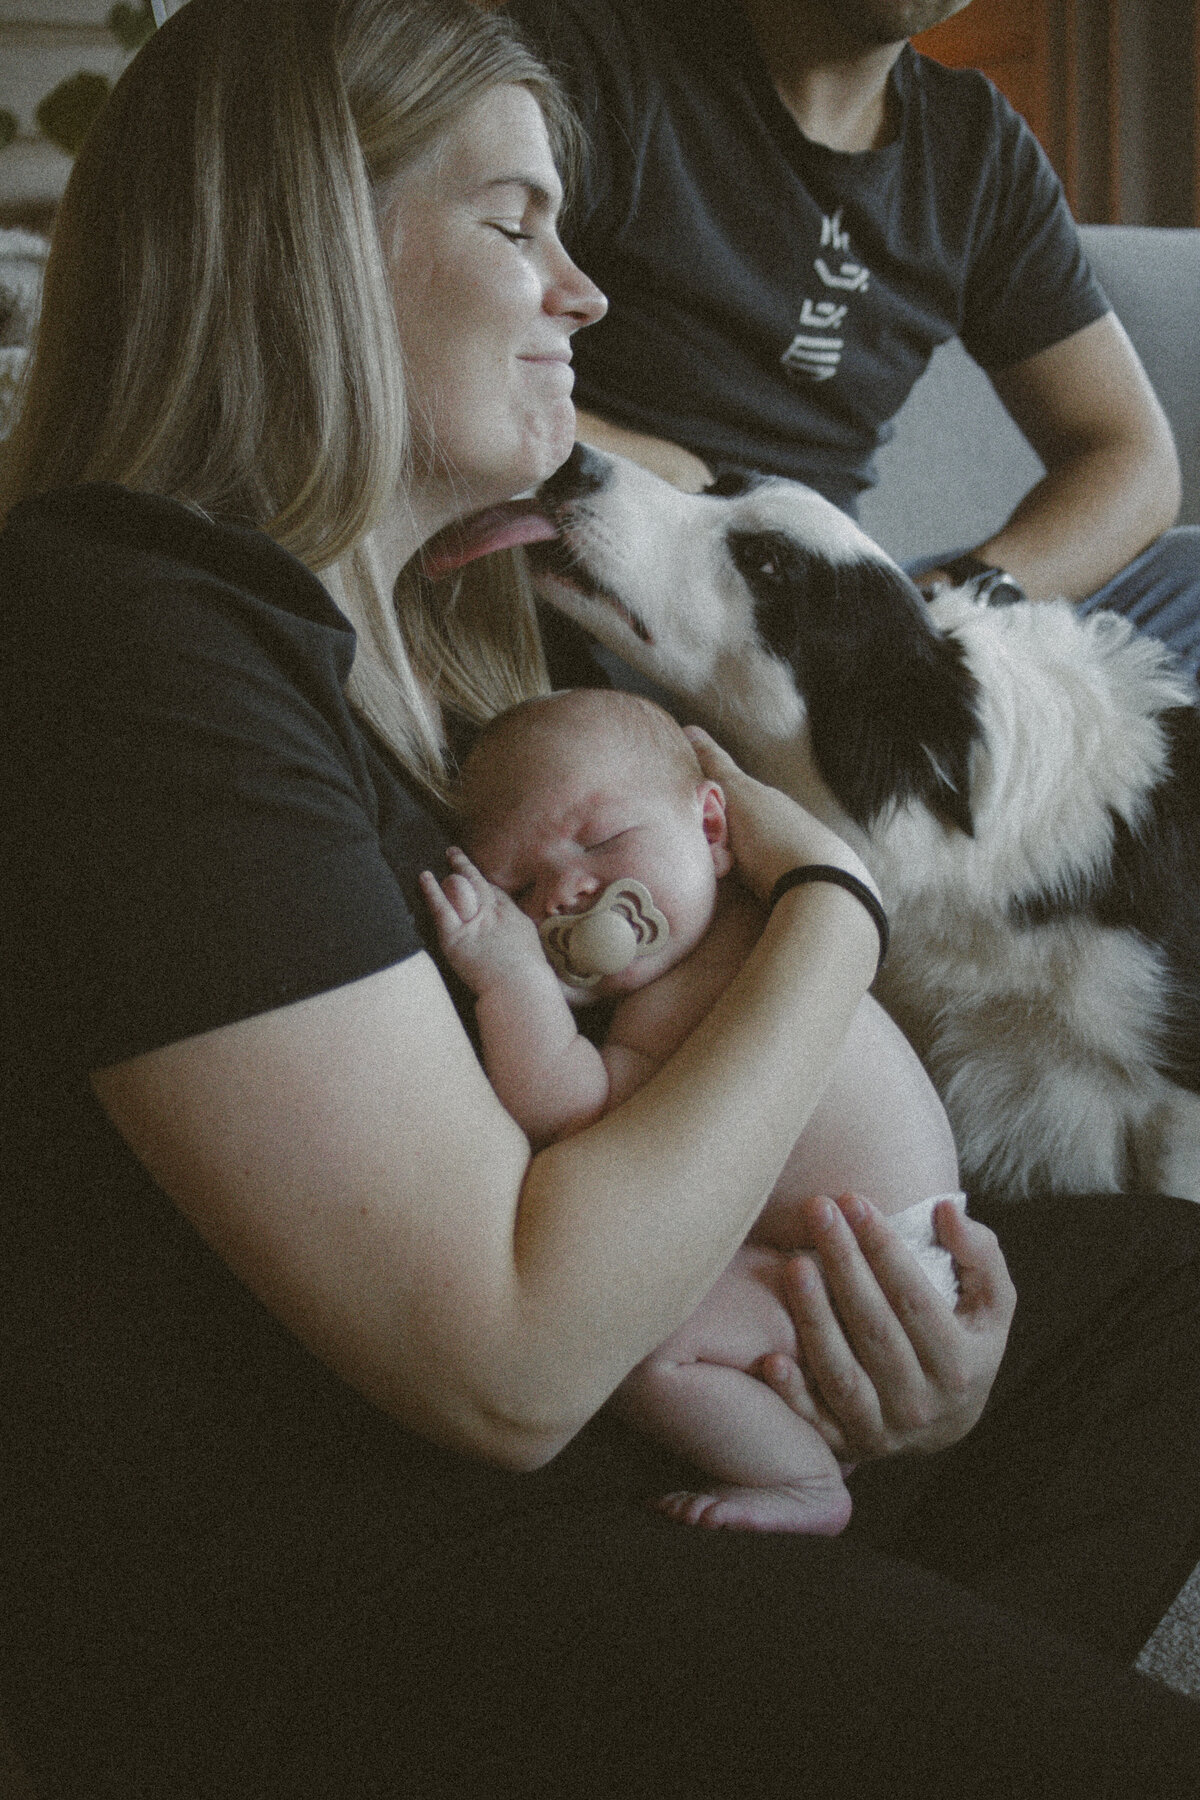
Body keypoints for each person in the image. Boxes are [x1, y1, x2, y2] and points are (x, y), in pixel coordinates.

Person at [3, 1, 1200, 1795]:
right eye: (516, 225)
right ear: (310, 249)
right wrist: (833, 906)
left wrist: (910, 1366)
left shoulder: (456, 680)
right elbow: (510, 1359)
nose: (584, 295)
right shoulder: (133, 633)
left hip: (634, 1456)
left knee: (1167, 1302)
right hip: (387, 1589)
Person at [505, 0, 1200, 674]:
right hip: (607, 573)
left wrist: (951, 604)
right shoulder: (584, 55)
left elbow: (1131, 458)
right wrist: (648, 469)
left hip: (826, 629)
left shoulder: (977, 151)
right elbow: (441, 376)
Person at [424, 686, 964, 1534]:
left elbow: (570, 1109)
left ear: (712, 829)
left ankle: (803, 1481)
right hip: (885, 1256)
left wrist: (511, 977)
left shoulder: (700, 982)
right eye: (520, 888)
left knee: (648, 1349)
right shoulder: (755, 931)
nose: (568, 890)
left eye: (602, 841)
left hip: (860, 1277)